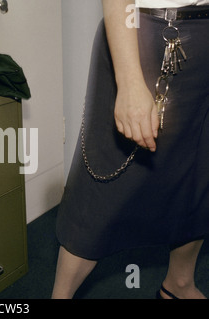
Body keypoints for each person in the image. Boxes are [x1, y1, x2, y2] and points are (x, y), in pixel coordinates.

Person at [53, 0, 209, 299]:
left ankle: (179, 284)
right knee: (105, 184)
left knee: (198, 177)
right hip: (149, 33)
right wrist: (128, 83)